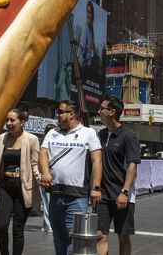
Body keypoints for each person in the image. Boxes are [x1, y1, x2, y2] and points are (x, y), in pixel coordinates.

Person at [39, 100, 102, 255]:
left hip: (77, 195)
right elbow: (43, 154)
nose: (57, 115)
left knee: (74, 238)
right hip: (55, 193)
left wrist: (96, 188)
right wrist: (45, 173)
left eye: (60, 112)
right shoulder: (52, 133)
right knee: (58, 236)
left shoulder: (88, 133)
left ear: (71, 114)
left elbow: (97, 160)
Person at [0, 108, 41, 255]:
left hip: (24, 187)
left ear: (22, 122)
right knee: (1, 226)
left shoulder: (32, 139)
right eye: (7, 120)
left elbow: (35, 164)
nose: (8, 123)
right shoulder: (2, 138)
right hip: (5, 185)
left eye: (12, 120)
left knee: (18, 228)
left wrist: (41, 179)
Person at [95, 96, 140, 255]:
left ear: (112, 112)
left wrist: (125, 192)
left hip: (122, 195)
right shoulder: (100, 135)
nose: (98, 112)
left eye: (102, 109)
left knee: (123, 237)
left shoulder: (128, 136)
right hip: (103, 196)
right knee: (100, 236)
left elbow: (132, 165)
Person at [39, 125, 55, 233]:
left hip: (53, 177)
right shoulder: (43, 146)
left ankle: (46, 224)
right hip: (45, 177)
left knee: (48, 202)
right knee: (46, 202)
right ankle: (48, 225)